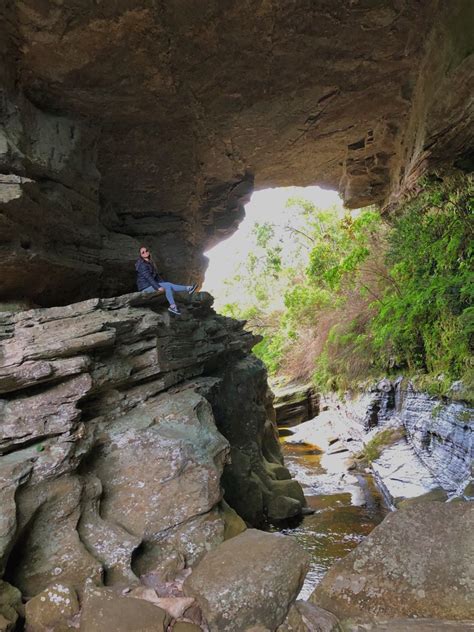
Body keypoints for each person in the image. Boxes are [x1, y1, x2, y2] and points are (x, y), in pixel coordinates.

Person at [135, 246, 197, 315]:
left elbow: (157, 276)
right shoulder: (142, 265)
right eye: (143, 252)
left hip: (150, 285)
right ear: (141, 255)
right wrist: (158, 287)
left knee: (168, 285)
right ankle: (174, 305)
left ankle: (189, 289)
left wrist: (163, 284)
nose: (145, 253)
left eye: (146, 250)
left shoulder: (150, 262)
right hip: (145, 287)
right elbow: (149, 278)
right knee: (168, 285)